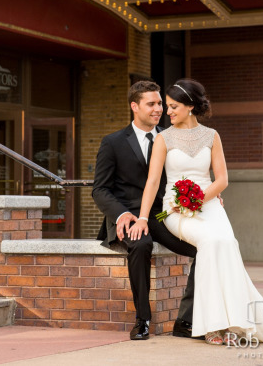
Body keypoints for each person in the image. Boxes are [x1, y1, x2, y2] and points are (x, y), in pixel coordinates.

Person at [130, 78, 263, 347]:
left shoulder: (212, 136)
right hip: (175, 209)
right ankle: (211, 326)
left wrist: (198, 200)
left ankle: (234, 321)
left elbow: (222, 179)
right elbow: (153, 181)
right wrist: (144, 218)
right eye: (167, 106)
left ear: (190, 106)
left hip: (209, 203)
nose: (168, 111)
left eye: (173, 106)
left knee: (227, 243)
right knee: (210, 242)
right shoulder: (164, 138)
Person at [92, 80, 197, 341]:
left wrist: (205, 195)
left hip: (160, 215)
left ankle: (185, 320)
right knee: (140, 245)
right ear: (134, 106)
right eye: (151, 104)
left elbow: (185, 175)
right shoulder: (113, 142)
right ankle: (142, 320)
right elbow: (100, 189)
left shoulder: (171, 138)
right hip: (128, 215)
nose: (158, 109)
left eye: (160, 103)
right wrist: (121, 214)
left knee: (201, 248)